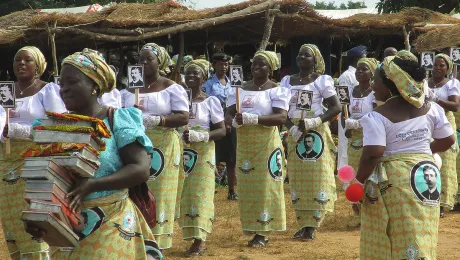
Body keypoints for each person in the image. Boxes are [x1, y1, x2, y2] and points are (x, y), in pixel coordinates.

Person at [25, 48, 162, 259]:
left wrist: (93, 184)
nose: (64, 89)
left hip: (112, 224)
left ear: (94, 87)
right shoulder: (55, 127)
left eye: (72, 82)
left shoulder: (118, 120)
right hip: (67, 227)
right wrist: (40, 217)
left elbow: (140, 169)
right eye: (62, 84)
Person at [355, 51, 455, 259]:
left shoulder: (376, 117)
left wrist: (357, 182)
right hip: (426, 174)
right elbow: (448, 140)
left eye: (377, 81)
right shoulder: (433, 109)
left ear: (390, 84)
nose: (373, 86)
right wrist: (425, 153)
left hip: (396, 180)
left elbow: (373, 154)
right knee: (422, 228)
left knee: (396, 230)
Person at [0, 46, 66, 259]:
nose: (21, 64)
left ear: (38, 66)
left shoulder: (48, 90)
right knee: (12, 216)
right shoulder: (6, 91)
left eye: (27, 60)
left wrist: (21, 130)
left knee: (35, 213)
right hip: (6, 161)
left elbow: (58, 125)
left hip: (37, 160)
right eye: (17, 60)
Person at [123, 43, 189, 250]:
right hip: (135, 146)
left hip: (164, 147)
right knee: (137, 191)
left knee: (161, 192)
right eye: (140, 59)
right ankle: (137, 239)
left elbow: (183, 116)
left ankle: (158, 242)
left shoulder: (171, 87)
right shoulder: (129, 90)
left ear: (159, 61)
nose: (143, 63)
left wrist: (159, 121)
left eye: (148, 59)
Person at [226, 51, 290, 247]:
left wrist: (254, 118)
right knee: (247, 187)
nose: (256, 67)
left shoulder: (276, 90)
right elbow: (228, 113)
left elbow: (280, 118)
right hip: (245, 144)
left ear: (271, 68)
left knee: (265, 186)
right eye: (254, 63)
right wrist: (233, 123)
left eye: (262, 64)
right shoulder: (240, 89)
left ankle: (263, 231)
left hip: (266, 144)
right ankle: (251, 226)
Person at [281, 44, 341, 240]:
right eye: (299, 54)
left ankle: (313, 225)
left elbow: (335, 107)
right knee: (298, 178)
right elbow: (281, 110)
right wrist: (292, 128)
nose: (301, 58)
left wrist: (314, 121)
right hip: (296, 134)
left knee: (317, 177)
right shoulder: (287, 81)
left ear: (315, 60)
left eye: (306, 55)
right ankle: (304, 224)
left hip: (316, 134)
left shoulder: (321, 81)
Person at [179, 59, 226, 256]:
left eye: (195, 74)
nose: (191, 77)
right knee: (184, 194)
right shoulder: (179, 101)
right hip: (182, 152)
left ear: (203, 77)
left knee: (201, 193)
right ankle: (187, 234)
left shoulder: (210, 101)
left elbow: (222, 131)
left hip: (203, 152)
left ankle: (200, 240)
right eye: (188, 74)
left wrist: (202, 136)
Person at [426, 53, 460, 217]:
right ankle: (430, 198)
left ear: (448, 69)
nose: (437, 68)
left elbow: (455, 106)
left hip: (445, 123)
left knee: (445, 163)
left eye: (442, 66)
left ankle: (442, 203)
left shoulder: (452, 83)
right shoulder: (425, 83)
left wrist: (436, 99)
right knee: (429, 161)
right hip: (427, 125)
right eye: (435, 65)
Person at [202, 53, 238, 200]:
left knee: (231, 159)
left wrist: (229, 121)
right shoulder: (208, 85)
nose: (223, 67)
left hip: (231, 123)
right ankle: (210, 189)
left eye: (226, 64)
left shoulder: (234, 84)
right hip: (214, 124)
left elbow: (237, 103)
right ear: (213, 65)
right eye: (220, 64)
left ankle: (231, 191)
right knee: (213, 157)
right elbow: (204, 104)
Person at [342, 58, 378, 171]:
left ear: (372, 73)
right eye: (358, 69)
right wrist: (346, 127)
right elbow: (345, 112)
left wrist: (357, 123)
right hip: (353, 136)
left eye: (364, 69)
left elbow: (377, 116)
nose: (359, 72)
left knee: (367, 168)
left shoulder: (375, 92)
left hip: (370, 135)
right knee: (354, 167)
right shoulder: (350, 91)